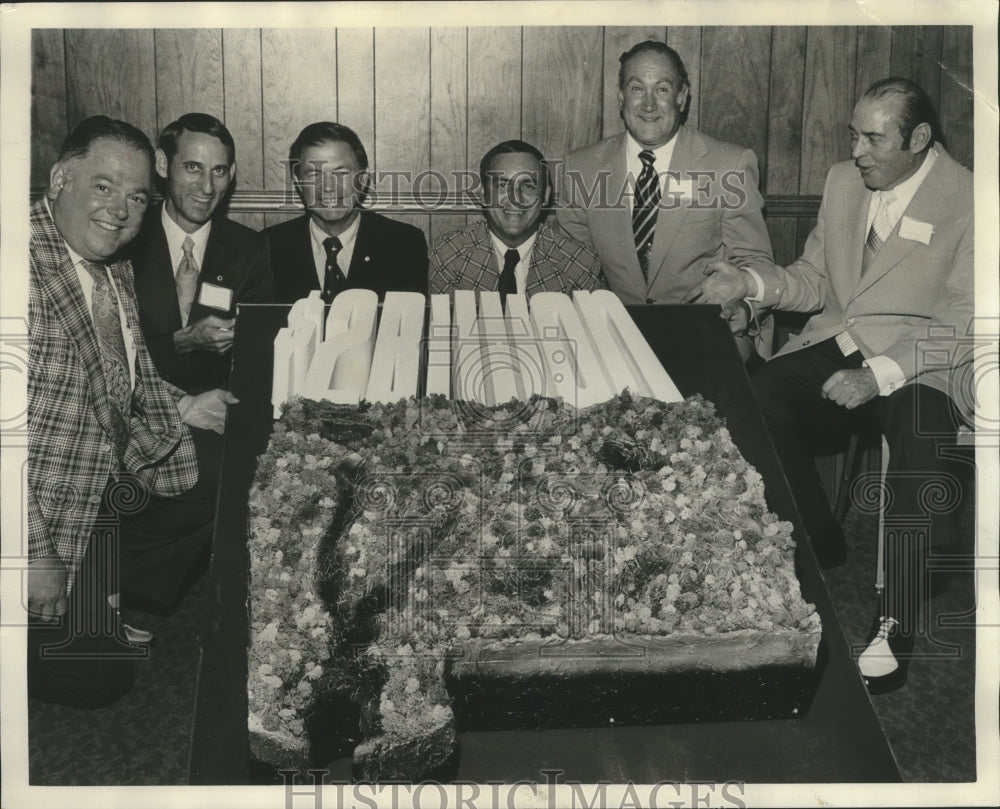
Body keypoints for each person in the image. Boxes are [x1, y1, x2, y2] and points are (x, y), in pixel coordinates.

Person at [691, 78, 973, 694]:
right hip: (842, 342)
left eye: (873, 138)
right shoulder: (847, 181)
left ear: (920, 138)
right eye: (853, 133)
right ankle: (816, 537)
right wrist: (750, 285)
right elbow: (815, 279)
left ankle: (895, 618)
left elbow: (965, 321)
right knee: (755, 401)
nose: (857, 150)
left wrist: (877, 376)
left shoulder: (974, 198)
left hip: (919, 362)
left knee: (922, 447)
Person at [28, 116, 237, 708]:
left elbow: (138, 372)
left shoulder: (110, 265)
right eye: (103, 187)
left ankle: (100, 580)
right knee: (97, 681)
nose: (120, 210)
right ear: (60, 179)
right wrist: (34, 553)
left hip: (93, 491)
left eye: (137, 196)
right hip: (30, 519)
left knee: (223, 465)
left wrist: (188, 405)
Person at [557, 40, 774, 360]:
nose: (648, 105)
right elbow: (572, 270)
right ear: (620, 96)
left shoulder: (729, 164)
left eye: (661, 89)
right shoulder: (582, 168)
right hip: (614, 337)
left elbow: (755, 264)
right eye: (636, 88)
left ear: (682, 97)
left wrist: (742, 306)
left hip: (707, 332)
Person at [128, 113, 273, 395]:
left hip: (218, 416)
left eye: (218, 171)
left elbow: (256, 354)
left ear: (231, 175)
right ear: (162, 164)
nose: (207, 187)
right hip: (139, 412)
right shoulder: (127, 238)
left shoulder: (249, 249)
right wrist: (182, 342)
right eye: (193, 167)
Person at [264, 122, 428, 303]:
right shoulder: (268, 248)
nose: (328, 187)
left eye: (341, 173)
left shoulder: (403, 244)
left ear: (363, 179)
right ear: (298, 181)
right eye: (314, 175)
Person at [430, 140, 605, 297]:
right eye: (503, 184)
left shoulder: (579, 262)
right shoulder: (449, 255)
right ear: (483, 195)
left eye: (528, 185)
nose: (515, 198)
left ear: (545, 196)